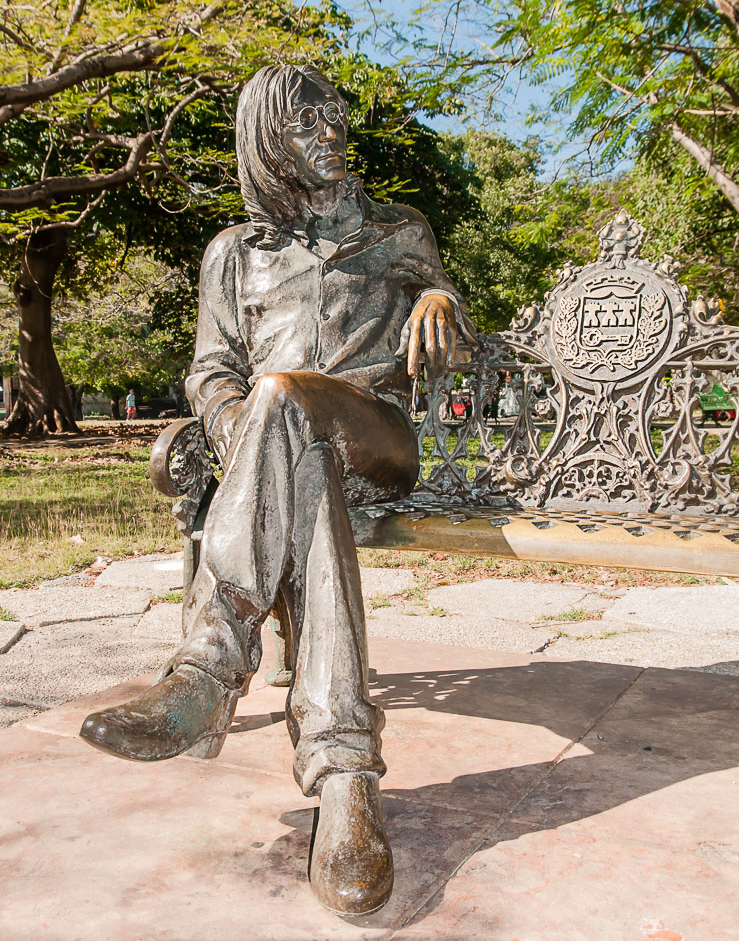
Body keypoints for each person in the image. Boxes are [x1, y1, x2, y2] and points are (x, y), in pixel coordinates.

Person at [79, 65, 475, 917]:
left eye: (336, 118)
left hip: (380, 442)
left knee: (285, 395)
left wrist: (439, 296)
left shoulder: (397, 228)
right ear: (266, 141)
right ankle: (345, 784)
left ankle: (210, 665)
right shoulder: (233, 256)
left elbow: (461, 333)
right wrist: (254, 436)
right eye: (307, 124)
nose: (331, 133)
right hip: (305, 468)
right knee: (297, 453)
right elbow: (212, 374)